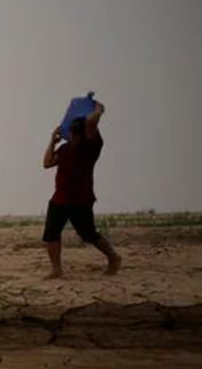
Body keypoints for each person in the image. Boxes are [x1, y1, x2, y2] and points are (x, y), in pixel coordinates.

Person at [42, 100, 121, 278]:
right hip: (60, 197)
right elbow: (47, 163)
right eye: (74, 133)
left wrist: (98, 110)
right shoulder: (64, 149)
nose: (76, 136)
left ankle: (113, 258)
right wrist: (52, 141)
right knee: (51, 233)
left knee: (88, 234)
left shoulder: (92, 146)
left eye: (78, 133)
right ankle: (56, 269)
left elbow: (91, 124)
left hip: (80, 199)